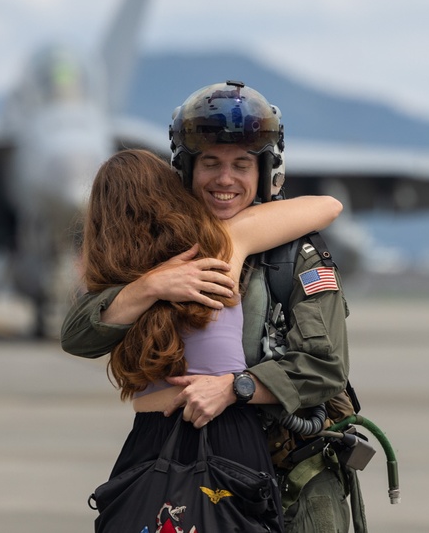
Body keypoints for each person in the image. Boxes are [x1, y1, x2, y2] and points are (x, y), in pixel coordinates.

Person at [63, 81, 361, 533]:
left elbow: (324, 365)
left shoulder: (293, 253)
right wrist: (150, 285)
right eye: (211, 163)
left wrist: (235, 387)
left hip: (293, 469)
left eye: (242, 165)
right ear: (185, 169)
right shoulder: (155, 256)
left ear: (264, 171)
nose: (226, 180)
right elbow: (79, 333)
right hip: (187, 452)